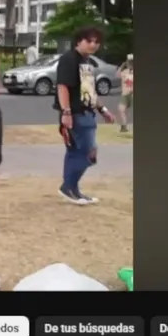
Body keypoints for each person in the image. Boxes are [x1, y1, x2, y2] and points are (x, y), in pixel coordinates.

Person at [54, 27, 117, 205]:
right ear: (78, 41)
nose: (93, 45)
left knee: (78, 152)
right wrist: (66, 112)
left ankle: (73, 189)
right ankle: (68, 187)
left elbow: (89, 90)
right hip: (75, 113)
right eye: (89, 41)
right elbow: (62, 86)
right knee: (86, 153)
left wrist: (103, 110)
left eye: (97, 42)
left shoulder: (87, 62)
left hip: (87, 112)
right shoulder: (69, 59)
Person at [117, 54, 134, 132]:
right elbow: (117, 75)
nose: (130, 63)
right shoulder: (124, 71)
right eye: (129, 62)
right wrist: (122, 65)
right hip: (125, 94)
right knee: (121, 109)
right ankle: (124, 126)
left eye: (132, 62)